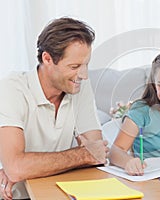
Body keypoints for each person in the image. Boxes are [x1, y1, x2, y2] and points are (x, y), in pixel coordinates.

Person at [0, 17, 109, 199]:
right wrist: (81, 155)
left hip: (59, 193)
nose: (83, 75)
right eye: (74, 66)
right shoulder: (11, 89)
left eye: (86, 65)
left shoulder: (79, 86)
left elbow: (97, 155)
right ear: (47, 59)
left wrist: (26, 167)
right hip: (14, 195)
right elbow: (16, 168)